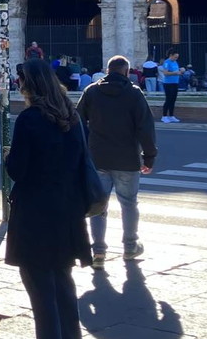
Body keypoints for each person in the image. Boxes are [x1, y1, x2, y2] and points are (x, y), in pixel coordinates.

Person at [4, 59, 93, 338]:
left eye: (20, 81)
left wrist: (8, 156)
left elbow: (18, 169)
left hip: (36, 213)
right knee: (64, 282)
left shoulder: (30, 119)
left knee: (40, 287)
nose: (18, 85)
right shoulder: (73, 116)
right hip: (69, 210)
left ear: (29, 85)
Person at [76, 55, 157, 270]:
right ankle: (130, 247)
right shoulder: (134, 93)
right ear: (126, 71)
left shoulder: (92, 91)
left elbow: (77, 121)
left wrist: (85, 147)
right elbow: (145, 128)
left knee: (98, 207)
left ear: (107, 70)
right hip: (128, 158)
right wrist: (149, 156)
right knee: (129, 204)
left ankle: (99, 252)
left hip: (98, 157)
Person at [160, 49, 183, 123]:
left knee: (173, 99)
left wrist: (180, 70)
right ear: (171, 55)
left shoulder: (175, 62)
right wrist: (175, 73)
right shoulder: (167, 62)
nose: (176, 58)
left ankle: (171, 115)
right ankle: (164, 116)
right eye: (175, 57)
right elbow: (165, 73)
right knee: (168, 99)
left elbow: (176, 70)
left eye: (177, 57)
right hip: (168, 83)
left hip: (175, 82)